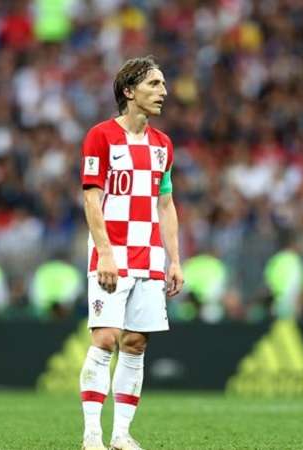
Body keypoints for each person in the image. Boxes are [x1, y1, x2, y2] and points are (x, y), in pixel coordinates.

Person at [78, 56, 184, 450]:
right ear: (129, 91)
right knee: (106, 338)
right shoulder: (101, 136)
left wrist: (174, 259)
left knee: (136, 343)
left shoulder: (163, 145)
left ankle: (121, 434)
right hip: (111, 253)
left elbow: (165, 204)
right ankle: (92, 434)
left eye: (163, 84)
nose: (163, 92)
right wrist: (105, 253)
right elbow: (92, 199)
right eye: (154, 84)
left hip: (149, 257)